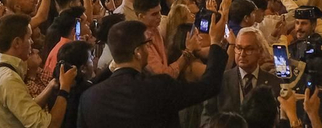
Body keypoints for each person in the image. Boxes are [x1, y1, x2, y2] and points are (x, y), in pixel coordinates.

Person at [75, 17, 227, 128]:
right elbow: (209, 86)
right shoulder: (159, 87)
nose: (149, 49)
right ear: (138, 52)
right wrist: (215, 42)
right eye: (147, 44)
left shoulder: (89, 97)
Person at [0, 15, 74, 128]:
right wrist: (64, 89)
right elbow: (49, 125)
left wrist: (50, 86)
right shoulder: (9, 79)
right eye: (29, 38)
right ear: (17, 43)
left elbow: (23, 107)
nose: (32, 42)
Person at [203, 27, 277, 120]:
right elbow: (206, 118)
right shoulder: (220, 81)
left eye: (248, 49)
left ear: (260, 51)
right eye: (238, 48)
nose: (242, 54)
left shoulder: (274, 83)